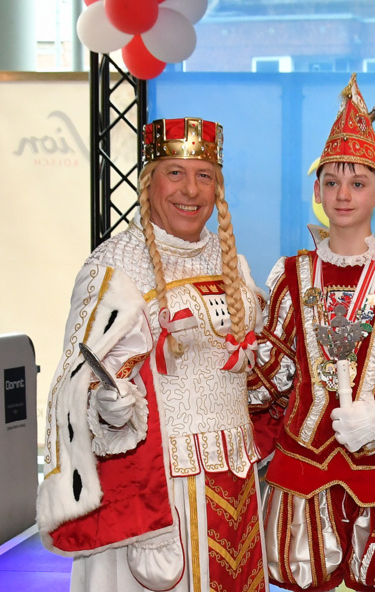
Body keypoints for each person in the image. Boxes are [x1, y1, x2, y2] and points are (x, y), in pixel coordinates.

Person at [37, 118, 268, 591]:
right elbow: (78, 379)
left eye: (204, 175)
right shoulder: (114, 264)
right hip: (158, 489)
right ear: (149, 182)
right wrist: (109, 407)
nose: (191, 190)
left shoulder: (233, 263)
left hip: (234, 476)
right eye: (175, 173)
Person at [250, 74, 375, 592]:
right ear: (316, 190)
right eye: (331, 182)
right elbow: (271, 378)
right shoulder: (291, 274)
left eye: (357, 183)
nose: (342, 194)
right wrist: (230, 354)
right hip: (302, 472)